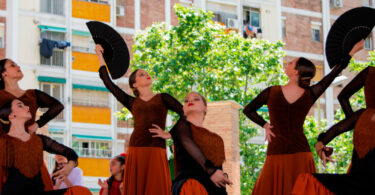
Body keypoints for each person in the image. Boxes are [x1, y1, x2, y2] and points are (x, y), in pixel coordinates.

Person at [242, 40, 364, 195]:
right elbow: (333, 74)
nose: (287, 63)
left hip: (277, 152)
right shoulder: (310, 94)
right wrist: (351, 52)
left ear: (296, 72)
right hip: (300, 154)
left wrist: (265, 125)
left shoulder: (271, 92)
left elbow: (248, 110)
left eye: (291, 63)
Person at [95, 44, 184, 195]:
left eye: (146, 73)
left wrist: (170, 134)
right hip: (136, 150)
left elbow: (185, 113)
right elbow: (108, 82)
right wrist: (99, 55)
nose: (147, 74)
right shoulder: (131, 102)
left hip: (157, 149)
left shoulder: (163, 98)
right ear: (134, 84)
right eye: (141, 74)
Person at [292, 64, 375, 195]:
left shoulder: (364, 116)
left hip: (358, 181)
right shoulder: (364, 116)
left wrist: (355, 123)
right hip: (360, 181)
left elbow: (342, 97)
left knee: (306, 182)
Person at [0, 99, 91, 194]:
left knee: (81, 192)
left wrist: (70, 166)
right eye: (20, 105)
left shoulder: (39, 140)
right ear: (11, 115)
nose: (27, 107)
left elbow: (70, 153)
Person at [0, 58, 65, 191]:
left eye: (17, 64)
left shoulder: (32, 95)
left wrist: (37, 124)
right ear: (3, 74)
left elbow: (58, 106)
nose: (18, 66)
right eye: (12, 65)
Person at [152, 92, 232, 195]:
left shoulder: (216, 138)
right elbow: (187, 141)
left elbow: (218, 168)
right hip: (189, 185)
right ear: (184, 110)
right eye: (186, 100)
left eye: (196, 99)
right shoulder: (181, 126)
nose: (190, 101)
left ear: (205, 108)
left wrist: (222, 177)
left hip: (212, 186)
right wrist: (211, 172)